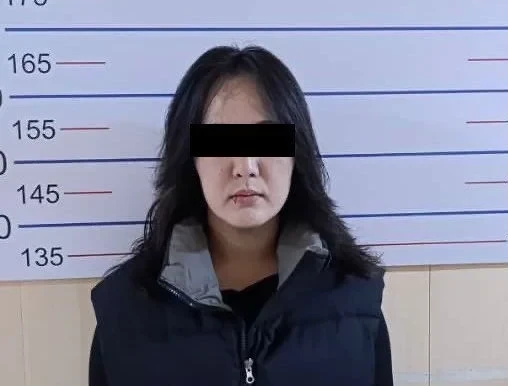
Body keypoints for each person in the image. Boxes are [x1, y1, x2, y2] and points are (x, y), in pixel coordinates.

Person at [88, 45, 394, 385]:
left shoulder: (355, 300)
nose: (246, 166)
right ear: (190, 158)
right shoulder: (124, 312)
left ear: (296, 153)